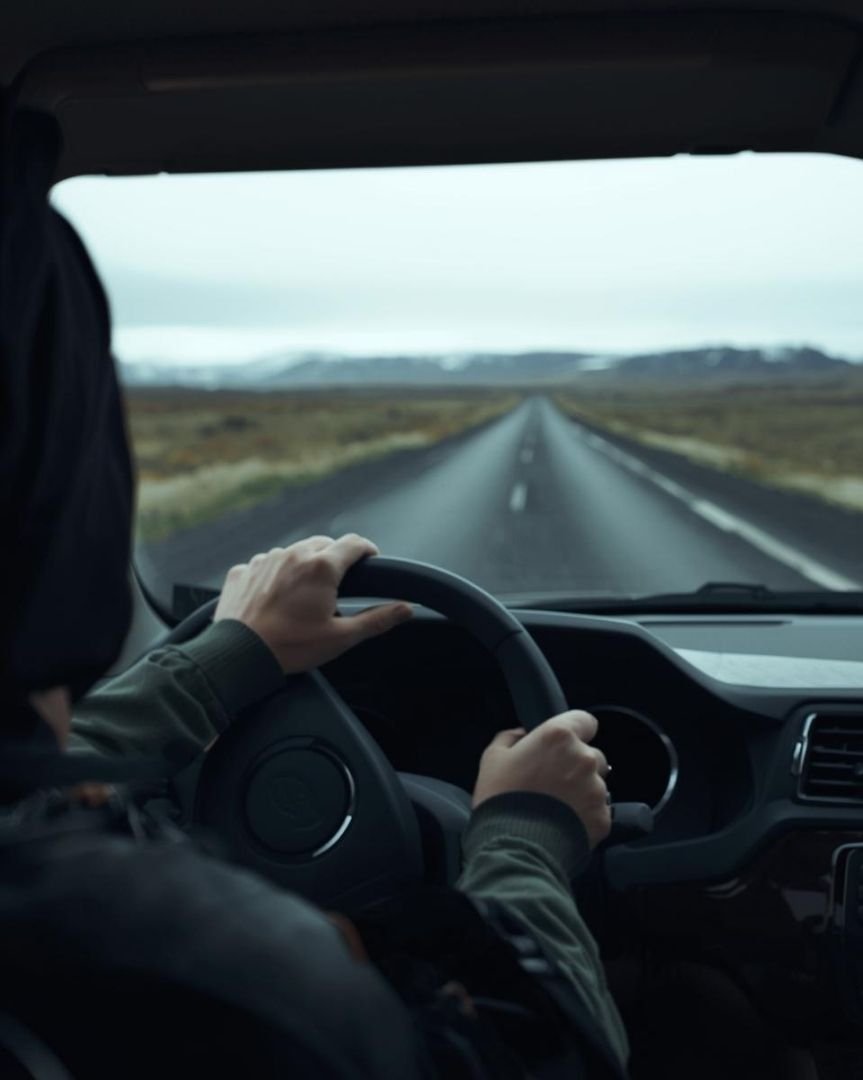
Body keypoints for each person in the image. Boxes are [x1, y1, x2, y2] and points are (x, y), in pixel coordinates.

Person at [0, 101, 627, 1077]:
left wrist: (223, 658)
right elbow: (540, 1051)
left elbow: (24, 787)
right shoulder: (212, 982)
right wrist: (523, 839)